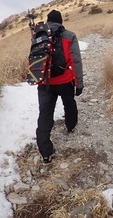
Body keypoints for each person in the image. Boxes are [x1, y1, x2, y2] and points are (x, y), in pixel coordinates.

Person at [36, 9, 84, 163]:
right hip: (64, 80)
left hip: (45, 82)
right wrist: (79, 84)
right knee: (69, 103)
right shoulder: (69, 36)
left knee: (45, 114)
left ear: (48, 21)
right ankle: (70, 126)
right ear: (61, 21)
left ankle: (46, 152)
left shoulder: (40, 36)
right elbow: (76, 62)